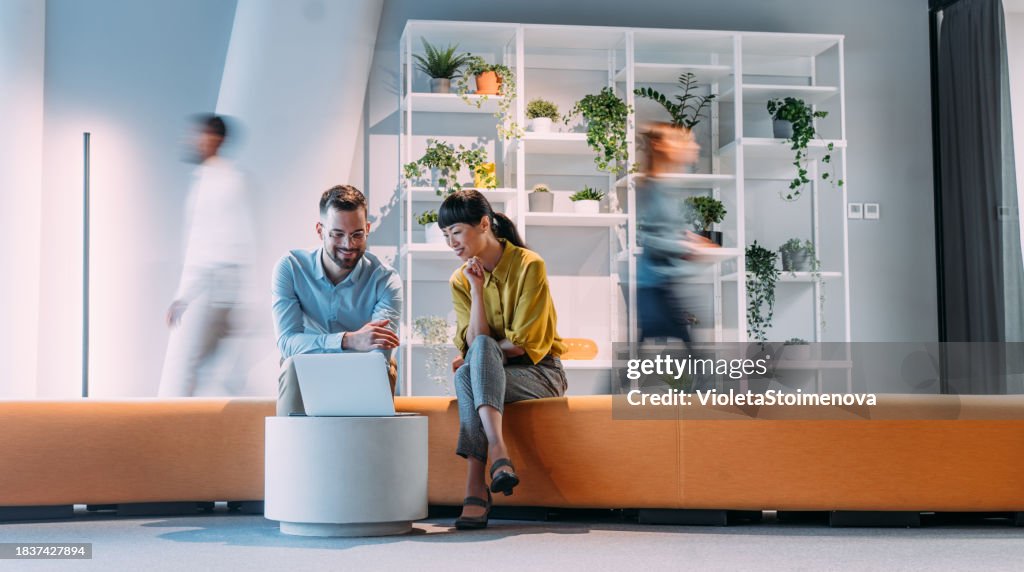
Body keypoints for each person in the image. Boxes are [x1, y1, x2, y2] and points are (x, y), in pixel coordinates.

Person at [439, 189, 568, 530]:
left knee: (471, 368)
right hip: (496, 376)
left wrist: (481, 357)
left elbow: (523, 345)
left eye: (456, 232)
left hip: (540, 374)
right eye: (445, 235)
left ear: (484, 224)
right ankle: (498, 460)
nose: (451, 242)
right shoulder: (460, 280)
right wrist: (476, 290)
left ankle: (476, 485)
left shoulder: (529, 265)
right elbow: (474, 342)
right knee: (473, 363)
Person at [272, 185, 402, 416]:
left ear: (367, 229)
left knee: (381, 370)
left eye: (357, 234)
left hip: (364, 371)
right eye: (337, 234)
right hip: (306, 369)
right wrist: (347, 340)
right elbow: (288, 343)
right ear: (320, 230)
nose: (348, 245)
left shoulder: (385, 279)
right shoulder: (291, 267)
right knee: (292, 364)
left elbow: (378, 355)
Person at [159, 114, 253, 397]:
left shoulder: (220, 182)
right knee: (220, 371)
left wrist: (183, 296)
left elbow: (208, 243)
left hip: (216, 284)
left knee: (191, 365)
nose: (195, 141)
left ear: (216, 139)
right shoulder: (218, 179)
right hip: (221, 285)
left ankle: (179, 422)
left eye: (200, 135)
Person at [636, 122, 716, 343]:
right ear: (660, 146)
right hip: (657, 287)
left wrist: (687, 237)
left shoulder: (665, 186)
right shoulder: (654, 187)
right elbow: (648, 239)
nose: (693, 146)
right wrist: (685, 246)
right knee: (692, 350)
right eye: (684, 141)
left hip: (663, 285)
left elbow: (663, 230)